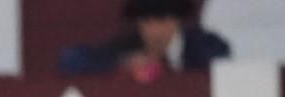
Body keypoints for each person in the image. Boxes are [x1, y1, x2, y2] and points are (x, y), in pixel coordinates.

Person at [60, 0, 231, 83]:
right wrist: (122, 64)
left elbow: (221, 64)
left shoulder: (203, 44)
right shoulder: (125, 47)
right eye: (146, 20)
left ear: (176, 20)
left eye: (161, 19)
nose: (154, 28)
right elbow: (71, 59)